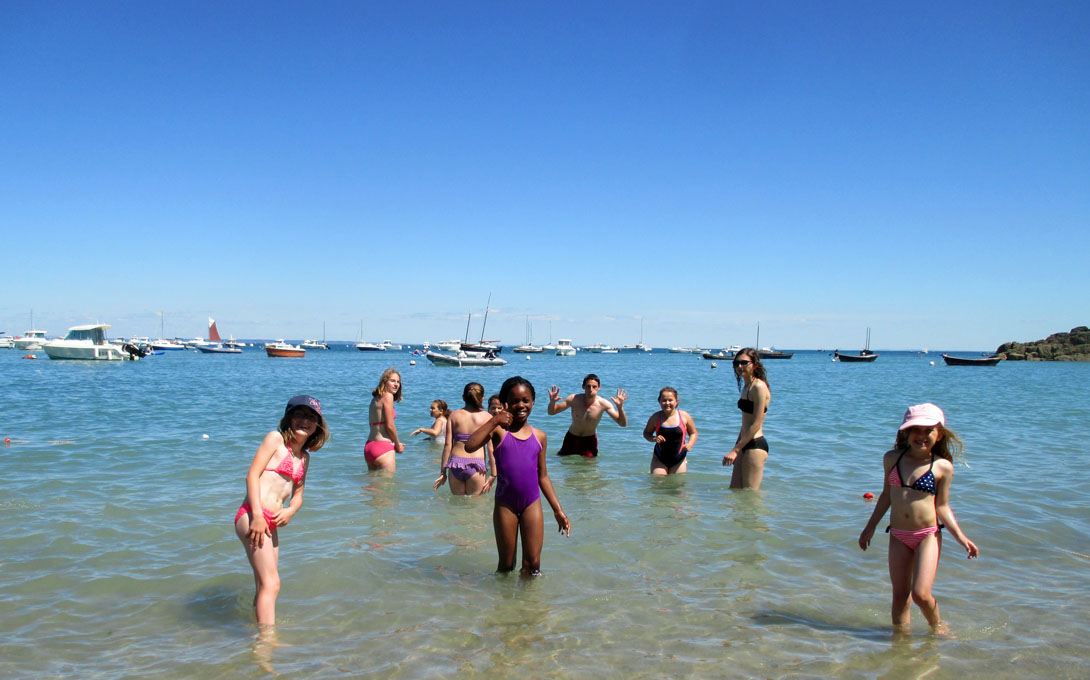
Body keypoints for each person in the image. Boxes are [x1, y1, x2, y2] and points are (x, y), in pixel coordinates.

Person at [859, 403, 979, 633]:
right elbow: (886, 496)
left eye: (928, 430)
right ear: (905, 432)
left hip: (927, 536)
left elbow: (942, 507)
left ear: (939, 434)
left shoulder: (942, 466)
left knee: (921, 594)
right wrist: (869, 528)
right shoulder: (892, 459)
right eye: (916, 429)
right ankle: (901, 643)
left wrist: (962, 538)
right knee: (900, 596)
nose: (921, 435)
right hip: (898, 535)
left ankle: (938, 627)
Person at [234, 395, 329, 626]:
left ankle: (257, 631)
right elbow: (252, 475)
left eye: (311, 418)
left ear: (317, 426)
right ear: (288, 418)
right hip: (252, 514)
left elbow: (298, 496)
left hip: (271, 522)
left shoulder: (304, 458)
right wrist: (257, 515)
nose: (304, 421)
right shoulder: (275, 439)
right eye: (299, 415)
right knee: (272, 583)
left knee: (263, 583)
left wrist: (290, 512)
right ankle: (267, 641)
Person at [466, 376, 571, 575]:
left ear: (532, 402)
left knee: (533, 564)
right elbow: (470, 446)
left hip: (532, 503)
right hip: (506, 504)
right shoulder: (498, 431)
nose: (521, 405)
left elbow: (543, 476)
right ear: (506, 404)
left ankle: (527, 605)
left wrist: (558, 510)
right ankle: (505, 604)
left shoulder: (539, 436)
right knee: (506, 565)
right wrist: (495, 419)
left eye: (526, 400)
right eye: (514, 401)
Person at [434, 383, 496, 495]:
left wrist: (443, 472)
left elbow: (448, 446)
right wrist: (493, 474)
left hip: (455, 464)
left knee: (457, 506)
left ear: (463, 397)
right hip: (476, 465)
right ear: (482, 398)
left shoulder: (454, 416)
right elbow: (490, 448)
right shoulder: (487, 417)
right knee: (475, 508)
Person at [722, 348, 770, 488]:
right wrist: (736, 447)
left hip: (755, 444)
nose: (739, 366)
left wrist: (735, 450)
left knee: (750, 495)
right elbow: (745, 423)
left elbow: (756, 423)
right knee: (735, 490)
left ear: (754, 364)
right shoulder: (746, 387)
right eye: (736, 363)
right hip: (743, 443)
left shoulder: (759, 386)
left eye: (744, 363)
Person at [547, 373, 628, 457]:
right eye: (588, 386)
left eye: (594, 387)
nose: (591, 389)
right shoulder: (573, 399)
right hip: (572, 437)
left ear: (599, 388)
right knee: (564, 463)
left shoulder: (604, 404)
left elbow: (623, 423)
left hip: (589, 440)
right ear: (583, 387)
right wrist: (552, 402)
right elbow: (551, 412)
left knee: (589, 467)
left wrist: (620, 407)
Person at [642, 387, 698, 475]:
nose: (667, 403)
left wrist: (690, 444)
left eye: (670, 400)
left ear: (676, 401)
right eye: (664, 400)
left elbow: (693, 433)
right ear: (659, 402)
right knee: (658, 484)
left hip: (679, 458)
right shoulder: (656, 417)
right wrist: (653, 438)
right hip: (659, 458)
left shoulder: (684, 416)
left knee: (677, 486)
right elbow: (646, 433)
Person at [365, 368, 404, 472]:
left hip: (369, 446)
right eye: (392, 381)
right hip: (383, 448)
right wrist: (397, 444)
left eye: (398, 382)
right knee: (387, 487)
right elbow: (390, 426)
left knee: (372, 485)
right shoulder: (388, 396)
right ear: (384, 381)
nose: (396, 384)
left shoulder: (375, 399)